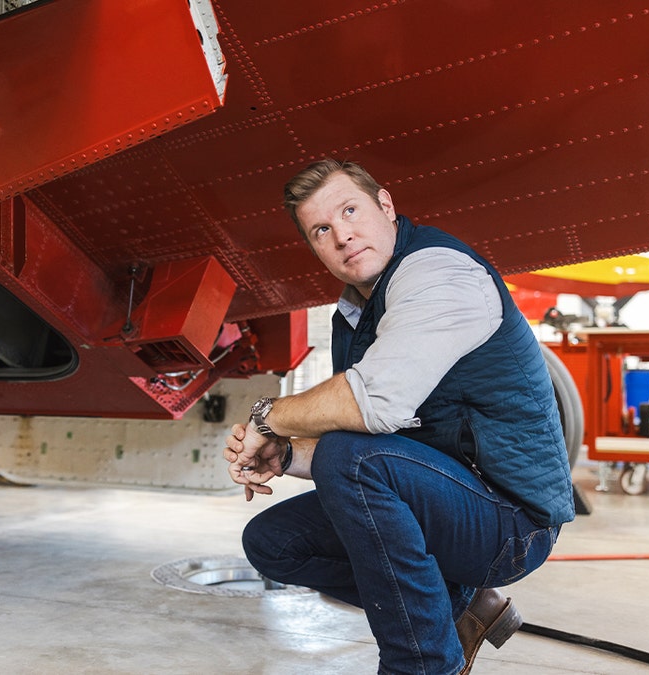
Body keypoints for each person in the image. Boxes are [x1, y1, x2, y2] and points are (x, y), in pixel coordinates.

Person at [224, 158, 575, 674]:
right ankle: (462, 610)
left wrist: (267, 417)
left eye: (350, 210)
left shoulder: (439, 273)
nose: (342, 235)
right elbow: (381, 443)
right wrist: (287, 454)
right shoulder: (352, 315)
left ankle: (423, 664)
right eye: (322, 229)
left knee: (350, 458)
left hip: (511, 522)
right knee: (273, 542)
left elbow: (373, 406)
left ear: (385, 205)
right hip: (446, 497)